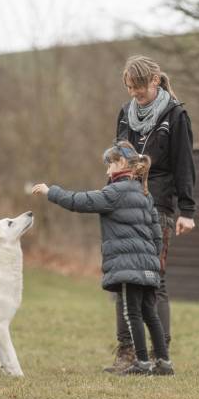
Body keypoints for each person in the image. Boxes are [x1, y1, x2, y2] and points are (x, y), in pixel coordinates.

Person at [32, 141, 174, 375]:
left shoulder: (114, 193)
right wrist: (153, 259)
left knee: (132, 313)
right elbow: (157, 233)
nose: (107, 171)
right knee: (150, 313)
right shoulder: (144, 193)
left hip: (128, 266)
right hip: (149, 265)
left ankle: (142, 363)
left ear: (120, 164)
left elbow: (80, 201)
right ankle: (164, 363)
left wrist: (51, 192)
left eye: (109, 165)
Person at [105, 55, 196, 374]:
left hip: (157, 206)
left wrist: (187, 209)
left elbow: (185, 163)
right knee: (121, 277)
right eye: (129, 88)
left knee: (153, 281)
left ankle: (161, 355)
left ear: (155, 81)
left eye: (139, 87)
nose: (134, 94)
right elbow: (117, 156)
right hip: (123, 204)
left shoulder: (175, 115)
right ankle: (127, 353)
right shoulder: (125, 114)